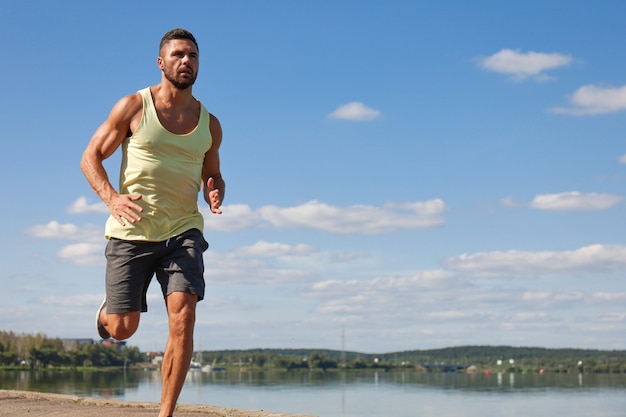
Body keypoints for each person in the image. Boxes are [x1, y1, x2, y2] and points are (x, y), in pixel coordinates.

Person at [80, 28, 224, 417]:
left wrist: (213, 190)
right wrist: (112, 198)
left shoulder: (210, 124)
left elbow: (213, 173)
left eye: (192, 55)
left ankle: (166, 414)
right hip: (132, 230)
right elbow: (90, 157)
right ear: (161, 63)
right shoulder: (133, 107)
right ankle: (107, 315)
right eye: (177, 54)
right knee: (123, 328)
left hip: (183, 232)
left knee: (184, 317)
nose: (186, 61)